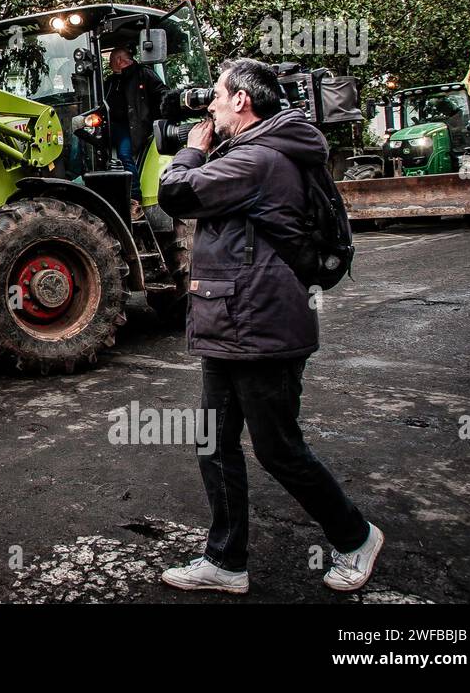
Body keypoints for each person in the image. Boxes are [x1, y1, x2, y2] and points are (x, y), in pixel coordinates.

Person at [156, 57, 383, 594]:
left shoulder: (258, 159)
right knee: (214, 443)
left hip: (262, 327)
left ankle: (355, 537)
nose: (208, 104)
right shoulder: (254, 152)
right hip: (234, 322)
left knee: (279, 449)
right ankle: (225, 561)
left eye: (215, 94)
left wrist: (193, 146)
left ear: (241, 100)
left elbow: (176, 194)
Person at [103, 44, 170, 219]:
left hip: (132, 126)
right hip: (109, 126)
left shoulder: (143, 74)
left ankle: (134, 198)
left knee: (125, 154)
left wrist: (159, 118)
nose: (110, 65)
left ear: (118, 60)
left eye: (111, 60)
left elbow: (162, 94)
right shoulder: (110, 82)